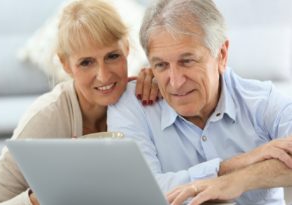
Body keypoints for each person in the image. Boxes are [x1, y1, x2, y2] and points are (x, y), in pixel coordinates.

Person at [107, 0, 292, 204]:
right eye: (161, 65)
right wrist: (235, 164)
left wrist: (238, 181)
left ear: (221, 55)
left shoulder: (262, 101)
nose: (175, 82)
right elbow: (139, 192)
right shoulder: (133, 105)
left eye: (187, 61)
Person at [0, 0, 159, 204]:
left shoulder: (144, 97)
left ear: (126, 49)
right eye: (86, 62)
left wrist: (164, 79)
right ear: (66, 65)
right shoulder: (46, 117)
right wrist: (37, 199)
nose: (103, 75)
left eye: (112, 56)